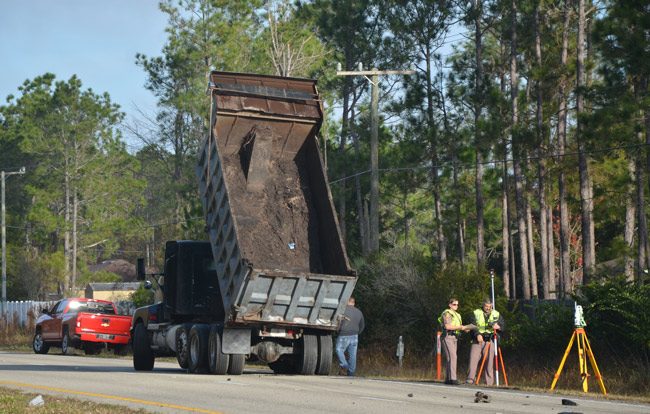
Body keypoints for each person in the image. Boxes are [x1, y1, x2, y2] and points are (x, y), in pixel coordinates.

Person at [466, 298, 505, 386]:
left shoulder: (496, 314)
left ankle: (489, 383)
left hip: (490, 340)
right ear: (483, 305)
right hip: (478, 340)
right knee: (473, 360)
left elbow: (503, 326)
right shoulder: (476, 313)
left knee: (489, 362)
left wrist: (498, 327)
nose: (488, 308)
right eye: (486, 306)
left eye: (490, 306)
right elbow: (472, 325)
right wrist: (477, 334)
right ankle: (470, 380)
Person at [438, 298, 473, 385]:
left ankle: (448, 379)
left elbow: (458, 326)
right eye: (454, 304)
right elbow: (448, 326)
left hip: (455, 337)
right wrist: (460, 327)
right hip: (448, 336)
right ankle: (453, 378)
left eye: (457, 304)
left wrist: (466, 328)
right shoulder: (447, 313)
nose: (456, 306)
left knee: (451, 358)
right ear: (450, 305)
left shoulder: (457, 315)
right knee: (453, 357)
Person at [336, 296, 365, 376]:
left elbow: (338, 323)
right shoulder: (359, 312)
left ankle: (344, 365)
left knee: (339, 350)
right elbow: (362, 325)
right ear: (354, 303)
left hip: (344, 335)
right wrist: (357, 333)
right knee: (352, 355)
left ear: (347, 302)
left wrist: (338, 331)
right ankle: (351, 373)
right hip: (355, 336)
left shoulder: (343, 311)